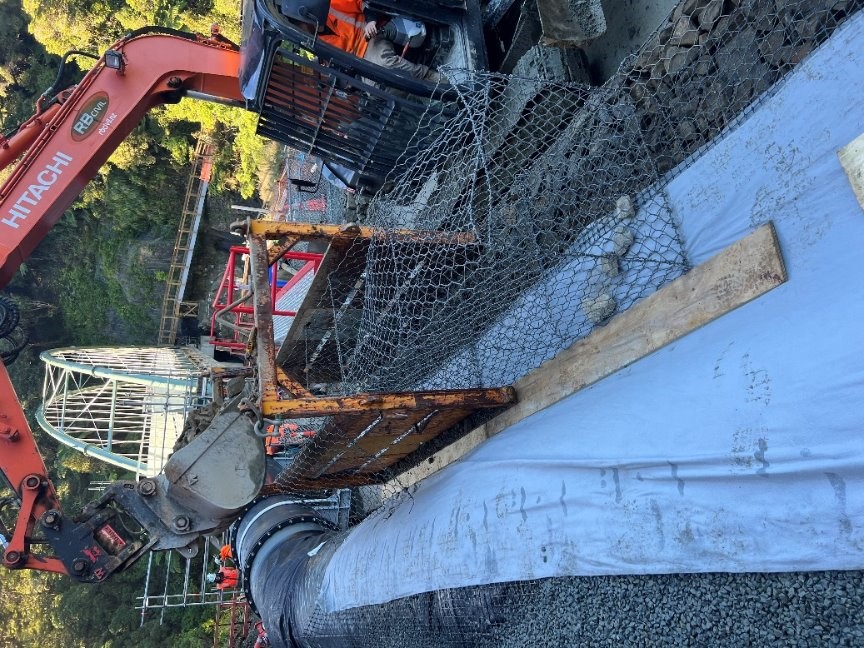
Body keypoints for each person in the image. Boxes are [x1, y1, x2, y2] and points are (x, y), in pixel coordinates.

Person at [278, 0, 441, 82]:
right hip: (361, 59)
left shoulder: (332, 4)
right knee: (373, 88)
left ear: (306, 17)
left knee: (384, 64)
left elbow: (362, 2)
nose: (303, 30)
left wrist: (371, 20)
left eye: (301, 26)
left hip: (374, 33)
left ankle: (432, 78)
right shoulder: (315, 44)